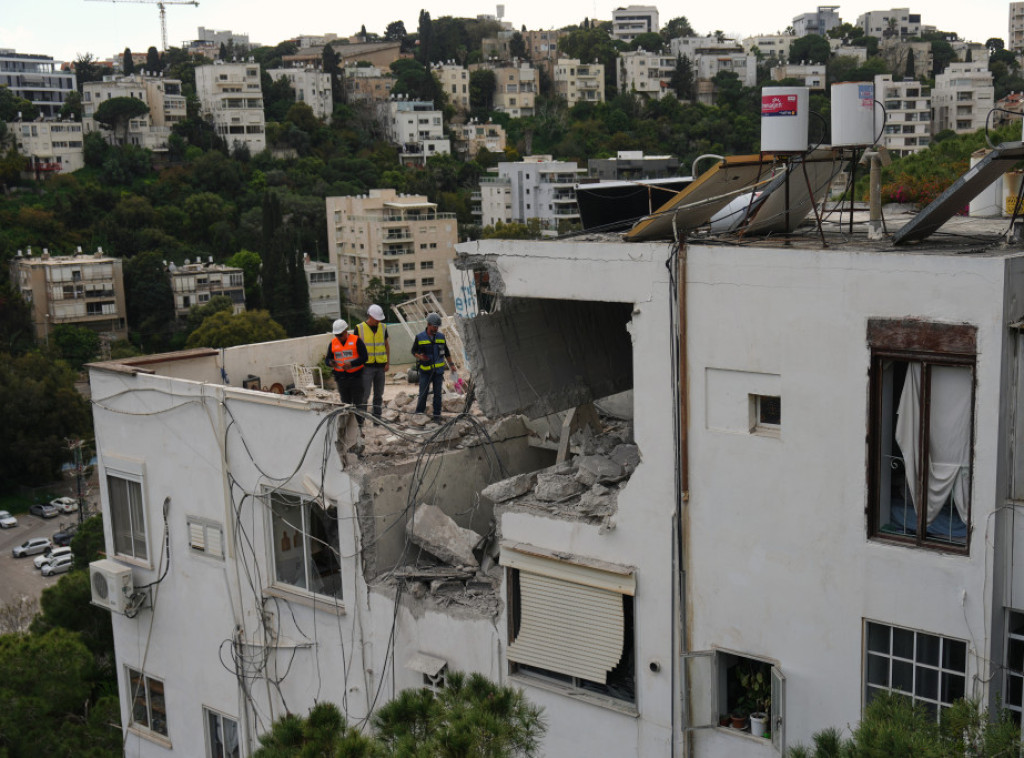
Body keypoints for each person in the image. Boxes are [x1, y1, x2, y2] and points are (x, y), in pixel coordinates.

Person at [412, 312, 455, 422]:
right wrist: (420, 357)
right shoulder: (420, 337)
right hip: (425, 372)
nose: (436, 328)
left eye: (437, 327)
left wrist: (452, 365)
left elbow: (446, 352)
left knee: (438, 395)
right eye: (434, 326)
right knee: (423, 393)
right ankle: (419, 414)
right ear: (428, 324)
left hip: (438, 372)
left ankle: (437, 416)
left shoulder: (441, 337)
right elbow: (414, 351)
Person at [325, 319, 367, 426]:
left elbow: (364, 357)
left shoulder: (356, 340)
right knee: (346, 404)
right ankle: (349, 426)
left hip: (356, 377)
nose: (339, 337)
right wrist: (331, 362)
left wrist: (352, 364)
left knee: (358, 403)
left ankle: (360, 425)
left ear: (346, 330)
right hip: (341, 379)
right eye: (337, 335)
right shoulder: (333, 343)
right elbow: (327, 359)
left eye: (341, 334)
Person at [355, 304, 390, 423]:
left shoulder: (383, 327)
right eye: (377, 319)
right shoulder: (359, 328)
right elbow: (354, 348)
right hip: (366, 368)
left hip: (380, 366)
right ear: (370, 316)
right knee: (364, 395)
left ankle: (377, 419)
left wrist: (387, 362)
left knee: (378, 395)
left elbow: (386, 345)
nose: (379, 321)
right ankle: (360, 420)